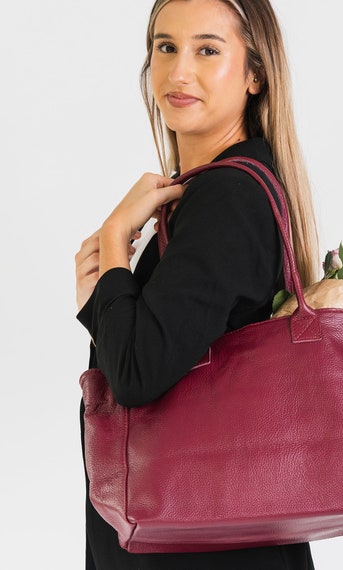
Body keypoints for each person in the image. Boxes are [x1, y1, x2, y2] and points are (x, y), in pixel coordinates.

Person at [74, 0, 319, 568]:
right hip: (217, 534)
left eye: (208, 49)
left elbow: (136, 376)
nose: (179, 71)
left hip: (200, 547)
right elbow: (169, 349)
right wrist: (100, 299)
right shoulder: (219, 192)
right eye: (165, 47)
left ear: (256, 74)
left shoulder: (225, 199)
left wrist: (115, 238)